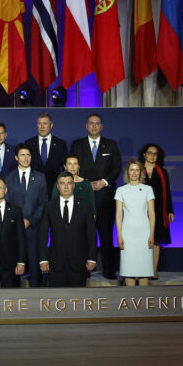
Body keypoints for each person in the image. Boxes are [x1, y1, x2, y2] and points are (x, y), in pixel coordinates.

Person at [70, 112, 122, 280]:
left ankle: (109, 269)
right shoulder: (77, 145)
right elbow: (72, 168)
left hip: (105, 198)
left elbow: (116, 168)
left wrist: (104, 182)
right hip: (82, 198)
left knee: (106, 235)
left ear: (101, 126)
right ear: (86, 126)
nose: (94, 126)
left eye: (97, 123)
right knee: (82, 236)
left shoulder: (111, 145)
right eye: (91, 123)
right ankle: (83, 269)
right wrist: (85, 184)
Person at [39, 171, 98, 287]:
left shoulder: (85, 205)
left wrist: (92, 258)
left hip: (79, 263)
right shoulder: (49, 206)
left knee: (78, 301)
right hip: (55, 263)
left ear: (74, 185)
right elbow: (43, 234)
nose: (66, 186)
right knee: (57, 301)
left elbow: (91, 233)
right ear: (57, 186)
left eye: (69, 183)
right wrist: (43, 259)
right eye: (62, 183)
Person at [5, 143, 48, 287]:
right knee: (14, 267)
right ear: (16, 157)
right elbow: (6, 205)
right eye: (22, 155)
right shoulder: (8, 179)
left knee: (35, 267)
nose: (26, 158)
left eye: (28, 155)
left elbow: (43, 203)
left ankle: (38, 300)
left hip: (34, 229)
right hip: (14, 230)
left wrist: (30, 220)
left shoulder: (41, 178)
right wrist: (17, 222)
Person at [115, 160, 156, 287]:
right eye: (131, 170)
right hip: (128, 234)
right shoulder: (121, 190)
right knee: (129, 271)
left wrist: (152, 235)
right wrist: (120, 236)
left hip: (144, 233)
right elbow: (119, 214)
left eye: (137, 170)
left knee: (144, 271)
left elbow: (152, 213)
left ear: (141, 172)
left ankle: (144, 304)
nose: (134, 172)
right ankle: (130, 303)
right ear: (128, 172)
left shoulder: (148, 189)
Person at [138, 143, 174, 279]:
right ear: (144, 154)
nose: (152, 156)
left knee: (156, 241)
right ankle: (141, 270)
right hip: (141, 210)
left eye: (155, 153)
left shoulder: (162, 171)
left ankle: (153, 271)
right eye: (150, 153)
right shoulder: (138, 170)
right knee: (142, 241)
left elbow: (167, 192)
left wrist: (170, 211)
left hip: (159, 211)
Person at [25, 112, 68, 197]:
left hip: (55, 188)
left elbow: (65, 168)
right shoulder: (29, 143)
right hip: (34, 189)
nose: (42, 127)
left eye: (45, 123)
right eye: (39, 123)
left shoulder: (60, 144)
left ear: (51, 125)